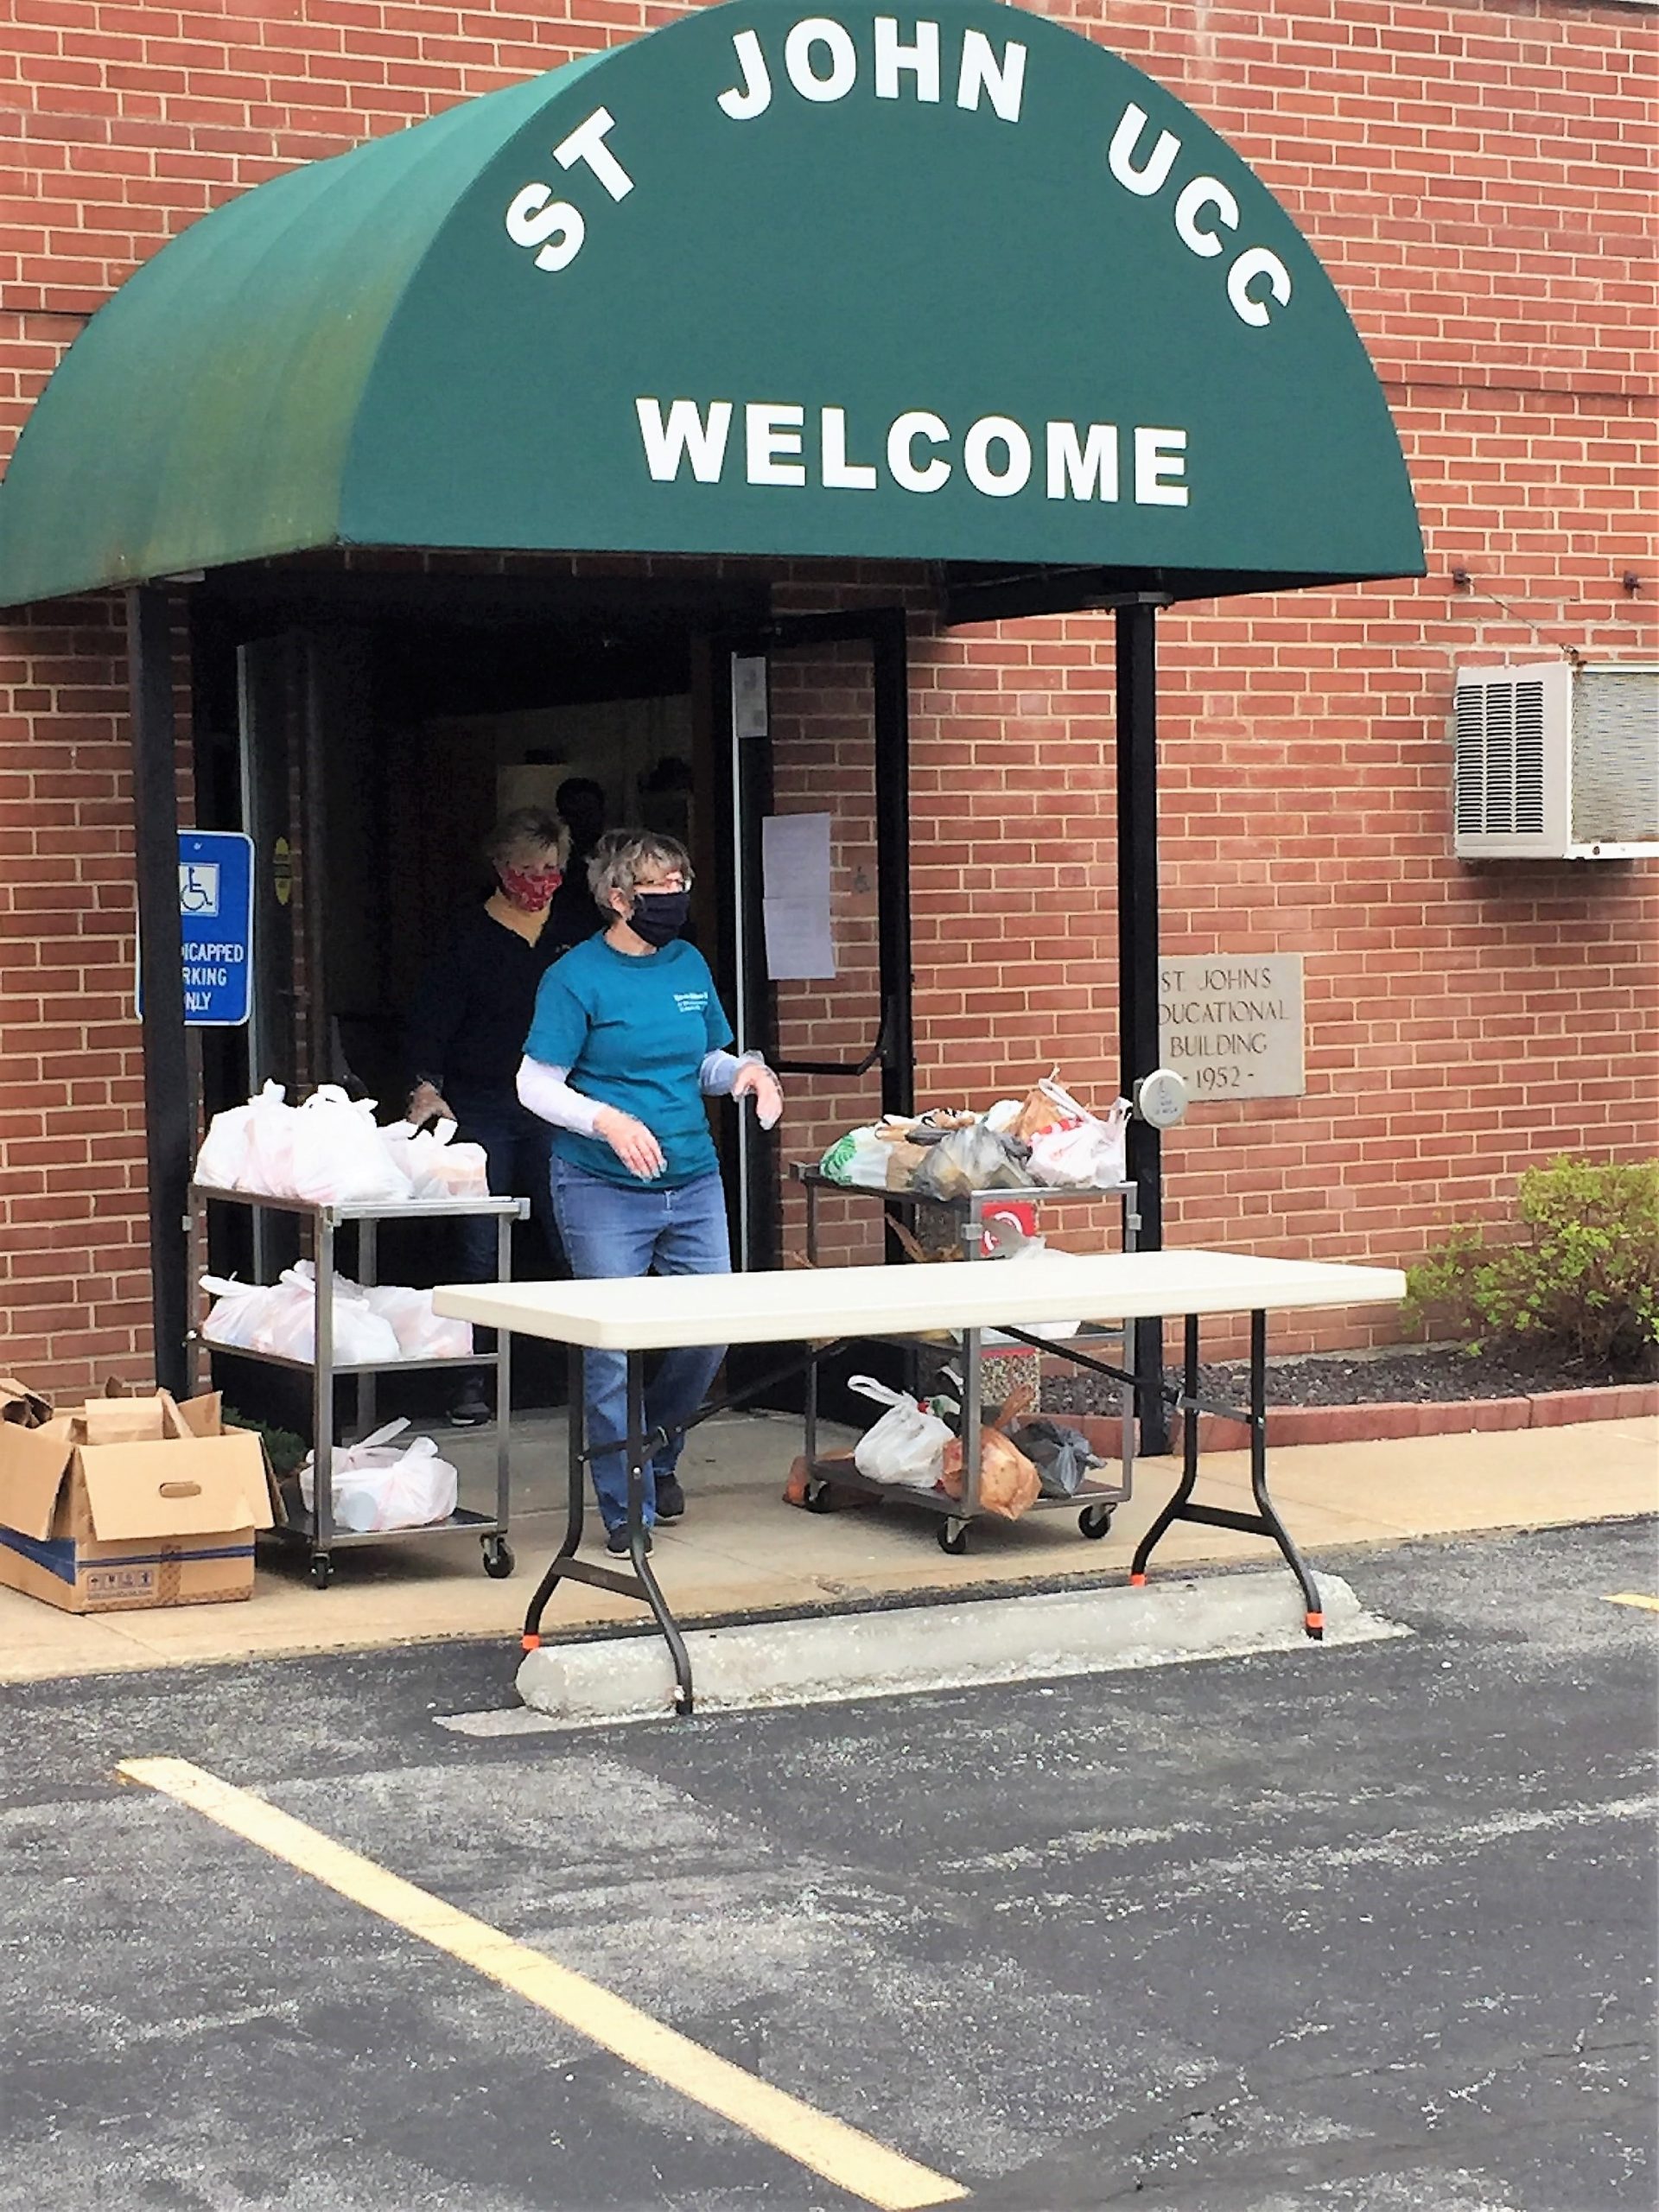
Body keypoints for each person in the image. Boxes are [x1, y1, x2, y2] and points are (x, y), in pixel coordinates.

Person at [516, 830, 783, 1554]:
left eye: (681, 883)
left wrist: (744, 1076)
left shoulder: (689, 964)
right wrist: (607, 1120)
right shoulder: (574, 978)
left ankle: (656, 1448)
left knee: (708, 1333)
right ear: (617, 898)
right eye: (658, 888)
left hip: (692, 1177)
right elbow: (534, 1083)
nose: (674, 899)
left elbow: (702, 1061)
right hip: (602, 1184)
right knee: (611, 1349)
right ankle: (622, 1509)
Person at [404, 806, 569, 1424]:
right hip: (484, 1102)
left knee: (572, 1233)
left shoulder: (574, 932)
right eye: (527, 869)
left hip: (559, 1100)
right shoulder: (467, 938)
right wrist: (427, 1086)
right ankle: (467, 1379)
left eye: (551, 869)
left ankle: (585, 1370)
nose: (540, 881)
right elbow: (433, 1020)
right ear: (500, 868)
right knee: (479, 1243)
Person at [543, 775, 608, 955]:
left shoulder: (616, 860)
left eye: (588, 813)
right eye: (573, 814)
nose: (581, 822)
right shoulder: (548, 863)